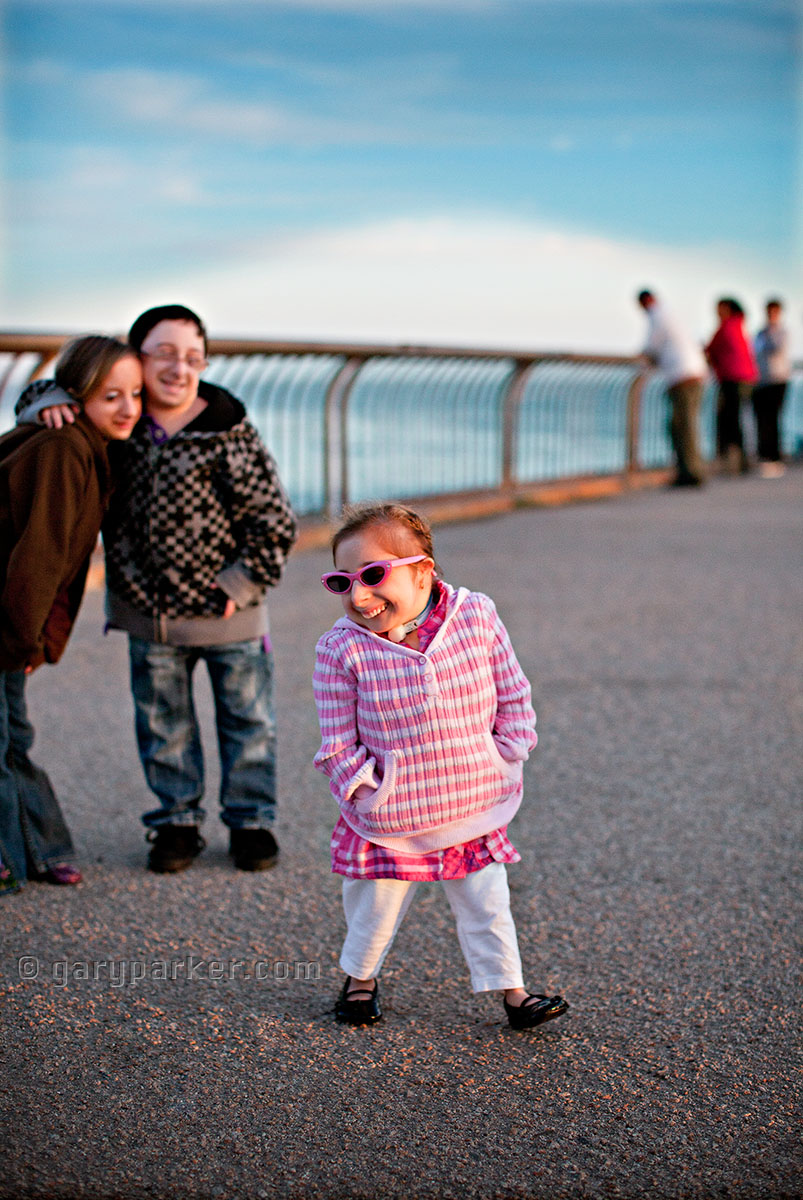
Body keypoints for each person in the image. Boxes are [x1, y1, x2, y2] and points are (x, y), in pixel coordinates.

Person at [21, 305, 297, 875]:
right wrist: (46, 400)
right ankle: (176, 821)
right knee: (162, 723)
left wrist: (242, 583)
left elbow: (273, 519)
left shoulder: (228, 430)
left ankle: (251, 821)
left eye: (192, 357)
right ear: (136, 358)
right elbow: (48, 393)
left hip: (229, 615)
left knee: (247, 722)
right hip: (147, 613)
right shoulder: (119, 421)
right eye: (163, 354)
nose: (178, 368)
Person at [313, 502, 569, 1029]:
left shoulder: (475, 616)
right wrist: (368, 792)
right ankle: (360, 980)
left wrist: (509, 750)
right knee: (375, 902)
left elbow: (512, 690)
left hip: (471, 792)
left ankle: (513, 992)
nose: (359, 596)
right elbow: (337, 742)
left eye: (374, 575)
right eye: (343, 582)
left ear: (424, 570)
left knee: (486, 898)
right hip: (392, 809)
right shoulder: (341, 649)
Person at [1, 336, 142, 894]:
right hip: (6, 615)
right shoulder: (63, 450)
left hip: (10, 618)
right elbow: (39, 556)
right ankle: (14, 857)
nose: (128, 407)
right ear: (77, 397)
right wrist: (24, 641)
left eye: (135, 393)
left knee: (13, 738)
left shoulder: (88, 445)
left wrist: (34, 640)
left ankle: (39, 849)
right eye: (111, 395)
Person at [636, 289, 708, 487]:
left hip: (683, 375)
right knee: (684, 425)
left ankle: (690, 472)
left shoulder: (657, 316)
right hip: (693, 372)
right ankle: (690, 470)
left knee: (682, 426)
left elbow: (652, 347)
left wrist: (642, 361)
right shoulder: (668, 314)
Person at [704, 298, 759, 474]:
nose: (717, 312)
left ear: (728, 309)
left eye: (720, 308)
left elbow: (711, 349)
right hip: (746, 378)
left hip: (733, 379)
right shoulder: (739, 326)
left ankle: (734, 463)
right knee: (738, 419)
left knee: (730, 420)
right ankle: (742, 461)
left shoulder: (727, 327)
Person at [752, 299, 790, 477]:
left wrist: (771, 329)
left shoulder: (781, 332)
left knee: (774, 419)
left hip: (778, 380)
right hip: (761, 381)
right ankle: (765, 457)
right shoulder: (760, 332)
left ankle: (775, 458)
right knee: (763, 420)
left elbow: (775, 347)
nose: (771, 315)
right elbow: (755, 352)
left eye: (774, 312)